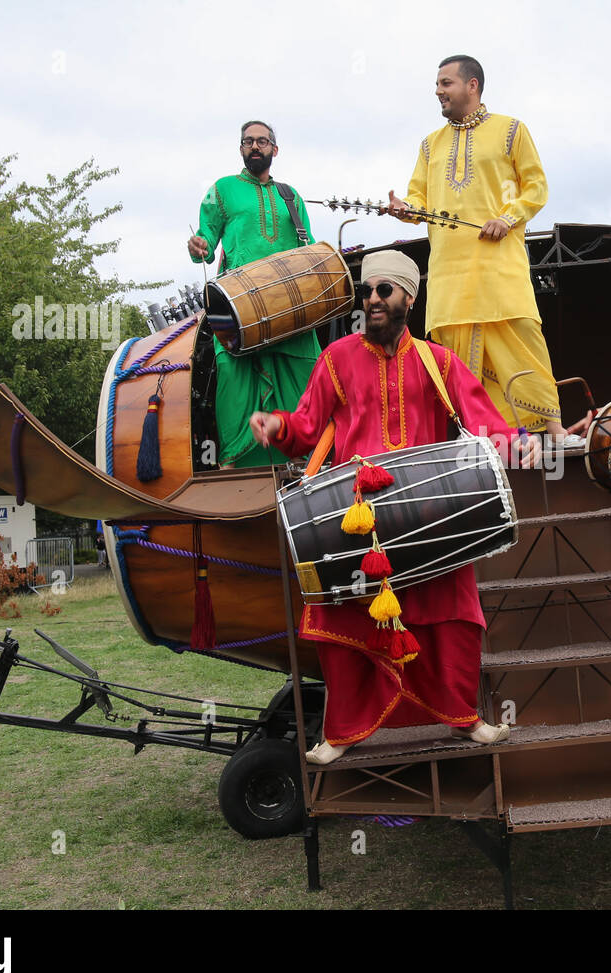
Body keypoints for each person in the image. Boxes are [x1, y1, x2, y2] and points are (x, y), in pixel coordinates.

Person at [250, 250, 539, 764]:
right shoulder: (337, 357)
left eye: (385, 290)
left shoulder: (438, 360)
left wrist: (518, 441)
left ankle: (463, 719)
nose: (373, 300)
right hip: (356, 518)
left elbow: (482, 420)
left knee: (452, 616)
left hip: (426, 514)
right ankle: (341, 732)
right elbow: (307, 426)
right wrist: (279, 427)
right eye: (367, 292)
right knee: (344, 621)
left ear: (409, 296)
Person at [385, 55, 583, 447]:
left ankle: (555, 431)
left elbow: (536, 187)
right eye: (437, 84)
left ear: (472, 85)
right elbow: (419, 198)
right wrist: (404, 209)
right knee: (454, 356)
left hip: (499, 267)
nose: (438, 91)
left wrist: (508, 218)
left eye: (446, 83)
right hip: (449, 273)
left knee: (523, 339)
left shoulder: (511, 130)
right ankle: (473, 437)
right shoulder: (430, 145)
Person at [187, 120, 321, 468]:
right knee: (233, 377)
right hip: (237, 307)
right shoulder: (223, 190)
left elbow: (306, 248)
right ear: (241, 148)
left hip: (288, 305)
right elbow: (205, 240)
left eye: (262, 141)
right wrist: (199, 245)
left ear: (275, 150)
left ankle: (311, 461)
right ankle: (238, 470)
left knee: (306, 371)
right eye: (248, 142)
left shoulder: (290, 196)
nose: (255, 147)